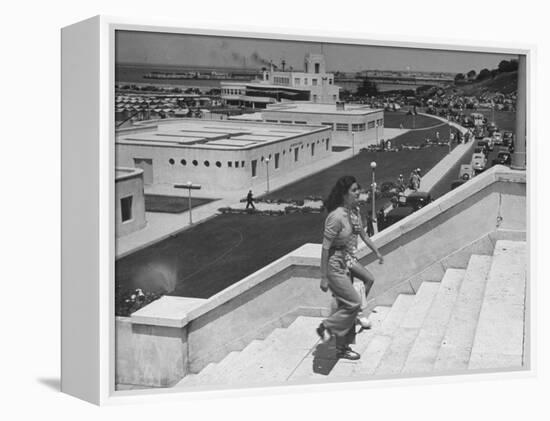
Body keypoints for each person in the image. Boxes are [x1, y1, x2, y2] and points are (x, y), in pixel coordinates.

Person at [317, 176, 383, 360]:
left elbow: (358, 236)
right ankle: (332, 333)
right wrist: (323, 277)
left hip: (346, 262)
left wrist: (375, 252)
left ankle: (343, 345)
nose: (358, 193)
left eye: (358, 190)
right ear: (345, 194)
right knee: (351, 304)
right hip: (336, 265)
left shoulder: (349, 214)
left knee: (350, 305)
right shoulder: (337, 216)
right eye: (354, 190)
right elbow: (325, 248)